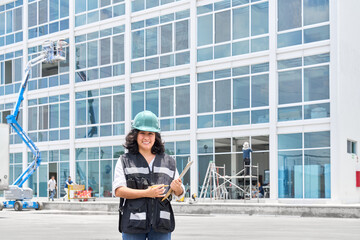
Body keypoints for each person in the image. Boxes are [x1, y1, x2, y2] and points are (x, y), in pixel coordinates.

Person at [113, 110, 185, 240]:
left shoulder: (169, 161)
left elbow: (180, 194)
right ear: (135, 135)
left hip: (161, 223)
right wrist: (146, 193)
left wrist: (177, 188)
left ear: (156, 136)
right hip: (133, 224)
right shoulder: (124, 160)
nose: (146, 137)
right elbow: (119, 191)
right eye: (142, 133)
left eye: (150, 133)